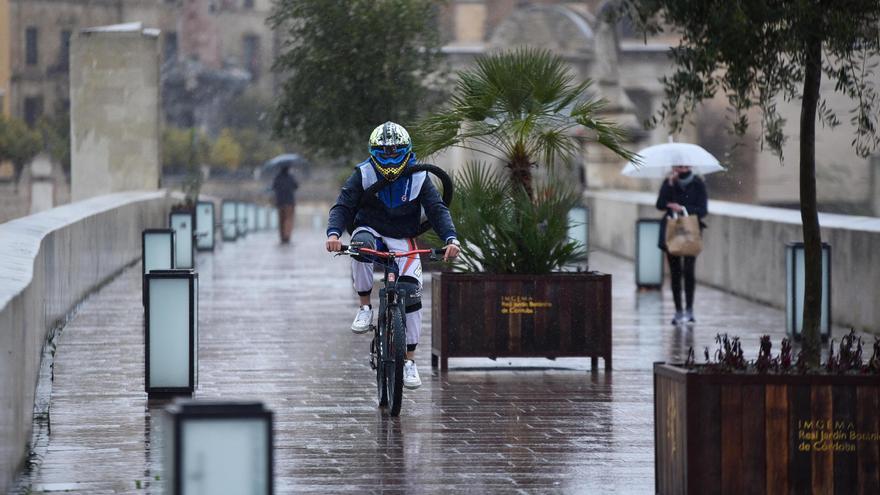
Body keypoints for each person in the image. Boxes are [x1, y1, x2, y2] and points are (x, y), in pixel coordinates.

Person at [325, 122, 460, 389]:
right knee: (360, 245)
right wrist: (333, 234)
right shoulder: (363, 174)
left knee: (411, 294)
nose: (389, 157)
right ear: (373, 151)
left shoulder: (420, 176)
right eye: (383, 152)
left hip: (403, 237)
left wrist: (451, 239)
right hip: (370, 229)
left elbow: (436, 209)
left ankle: (409, 360)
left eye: (395, 151)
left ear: (407, 150)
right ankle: (364, 306)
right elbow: (343, 205)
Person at [656, 165, 708, 326]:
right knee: (675, 273)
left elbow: (703, 209)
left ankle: (690, 309)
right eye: (678, 166)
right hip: (672, 231)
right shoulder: (669, 182)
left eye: (683, 166)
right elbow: (660, 204)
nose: (681, 168)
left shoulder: (698, 183)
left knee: (689, 271)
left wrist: (683, 208)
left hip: (691, 231)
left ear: (689, 166)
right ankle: (678, 311)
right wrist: (669, 186)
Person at [272, 164, 299, 244]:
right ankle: (287, 236)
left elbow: (273, 187)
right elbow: (296, 186)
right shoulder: (291, 177)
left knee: (281, 220)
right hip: (290, 202)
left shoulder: (277, 177)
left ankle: (282, 236)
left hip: (280, 202)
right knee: (289, 219)